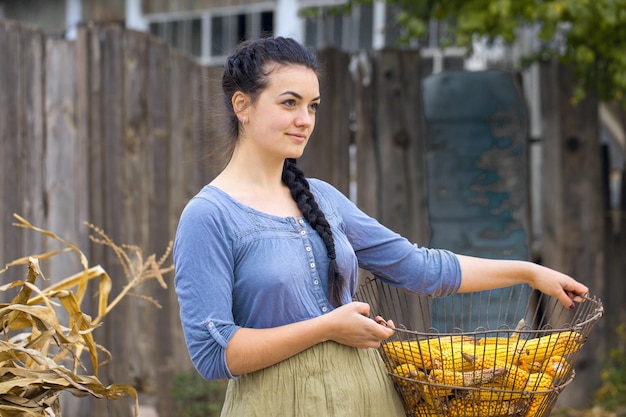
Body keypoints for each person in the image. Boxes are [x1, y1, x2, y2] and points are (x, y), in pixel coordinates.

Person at [173, 36, 589, 416]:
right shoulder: (209, 216)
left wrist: (527, 272)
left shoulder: (323, 197)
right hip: (280, 403)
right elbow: (214, 354)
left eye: (313, 105)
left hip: (370, 397)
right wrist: (330, 326)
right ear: (242, 105)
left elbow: (419, 268)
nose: (305, 119)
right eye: (289, 103)